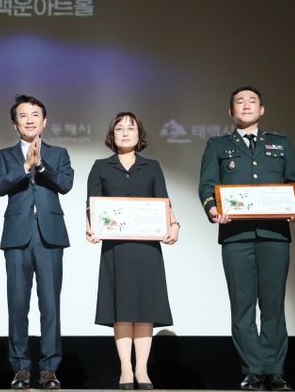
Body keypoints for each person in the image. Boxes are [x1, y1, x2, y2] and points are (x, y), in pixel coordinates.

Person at [198, 86, 295, 391]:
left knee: (273, 304)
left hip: (275, 235)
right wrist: (213, 209)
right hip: (236, 236)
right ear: (231, 111)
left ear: (262, 110)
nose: (245, 105)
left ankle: (274, 370)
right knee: (242, 305)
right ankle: (253, 370)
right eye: (239, 102)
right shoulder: (218, 145)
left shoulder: (280, 144)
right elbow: (207, 185)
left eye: (252, 101)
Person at [85, 112, 179, 390]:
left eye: (131, 128)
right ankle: (126, 368)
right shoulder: (100, 167)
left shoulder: (152, 167)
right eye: (120, 128)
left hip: (147, 247)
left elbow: (164, 202)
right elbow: (92, 204)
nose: (125, 132)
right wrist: (90, 226)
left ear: (140, 135)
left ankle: (142, 369)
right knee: (122, 308)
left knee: (145, 307)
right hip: (116, 248)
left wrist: (175, 225)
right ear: (112, 135)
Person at [0, 94, 74, 390]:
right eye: (23, 116)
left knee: (50, 306)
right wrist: (25, 166)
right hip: (17, 237)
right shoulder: (4, 155)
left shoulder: (59, 153)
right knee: (17, 305)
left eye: (35, 115)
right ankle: (21, 368)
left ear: (44, 121)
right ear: (15, 124)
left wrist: (41, 165)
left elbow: (65, 183)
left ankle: (49, 369)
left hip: (49, 236)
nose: (29, 120)